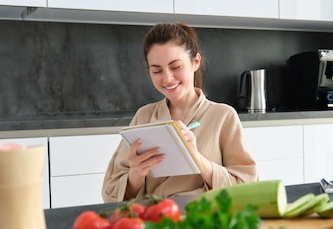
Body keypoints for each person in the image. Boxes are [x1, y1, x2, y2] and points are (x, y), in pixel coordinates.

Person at [102, 22, 258, 202]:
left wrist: (197, 159)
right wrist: (136, 175)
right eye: (157, 70)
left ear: (195, 62)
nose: (167, 78)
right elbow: (109, 194)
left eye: (176, 67)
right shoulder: (144, 117)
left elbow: (249, 188)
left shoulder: (223, 117)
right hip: (155, 220)